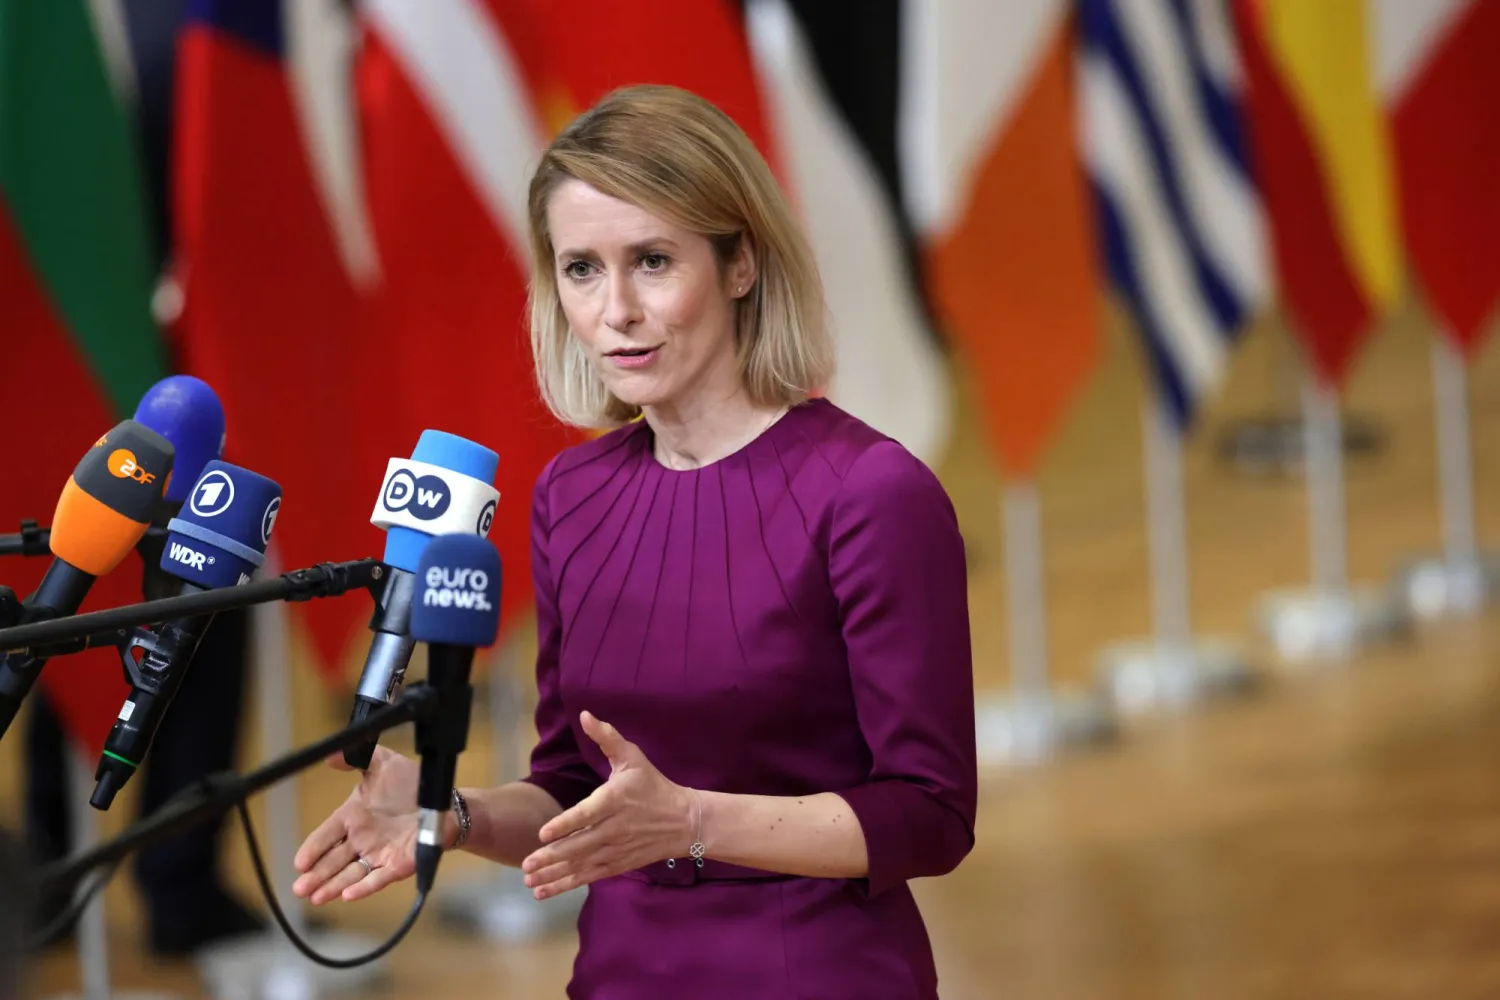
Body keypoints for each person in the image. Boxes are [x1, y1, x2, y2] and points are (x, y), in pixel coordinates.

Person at [291, 83, 978, 998]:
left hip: (813, 972)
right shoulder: (573, 496)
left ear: (741, 265)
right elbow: (574, 791)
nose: (614, 309)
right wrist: (446, 812)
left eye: (652, 261)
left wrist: (690, 822)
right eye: (581, 268)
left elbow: (929, 815)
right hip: (618, 976)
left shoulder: (872, 494)